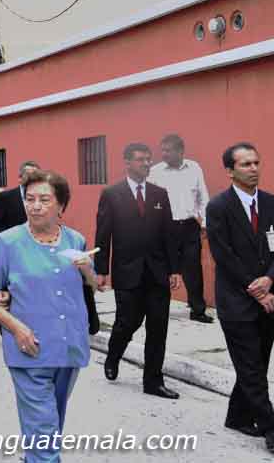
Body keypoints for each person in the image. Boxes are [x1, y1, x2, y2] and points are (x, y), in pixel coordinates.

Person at [0, 170, 96, 463]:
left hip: (69, 346)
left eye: (44, 200)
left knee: (51, 422)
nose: (35, 206)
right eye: (29, 199)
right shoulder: (9, 242)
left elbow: (94, 285)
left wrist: (87, 269)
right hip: (29, 349)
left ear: (61, 205)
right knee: (43, 429)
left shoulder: (75, 240)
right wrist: (16, 328)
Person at [95, 143, 181, 399]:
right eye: (140, 159)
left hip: (157, 272)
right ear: (127, 162)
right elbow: (103, 234)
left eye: (148, 159)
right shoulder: (112, 194)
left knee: (158, 327)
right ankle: (113, 356)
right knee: (127, 323)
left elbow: (169, 234)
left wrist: (175, 269)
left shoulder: (160, 194)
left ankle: (153, 381)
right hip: (127, 271)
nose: (146, 163)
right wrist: (101, 270)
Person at [207, 142, 274, 451]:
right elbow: (224, 256)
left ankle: (237, 416)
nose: (253, 169)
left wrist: (270, 280)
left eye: (256, 163)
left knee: (256, 363)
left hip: (271, 297)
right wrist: (256, 289)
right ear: (230, 171)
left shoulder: (273, 203)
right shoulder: (218, 207)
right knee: (250, 366)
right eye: (246, 164)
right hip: (237, 301)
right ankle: (271, 427)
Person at [149, 133, 213, 323]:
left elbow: (203, 197)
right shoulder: (155, 172)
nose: (164, 154)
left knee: (193, 269)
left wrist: (205, 223)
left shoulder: (194, 168)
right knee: (162, 269)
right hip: (165, 228)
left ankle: (197, 310)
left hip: (189, 227)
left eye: (168, 150)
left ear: (180, 151)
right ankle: (158, 309)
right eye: (162, 150)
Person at [0, 161, 40, 237]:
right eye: (29, 175)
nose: (32, 178)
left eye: (36, 175)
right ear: (20, 177)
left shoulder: (43, 198)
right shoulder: (5, 197)